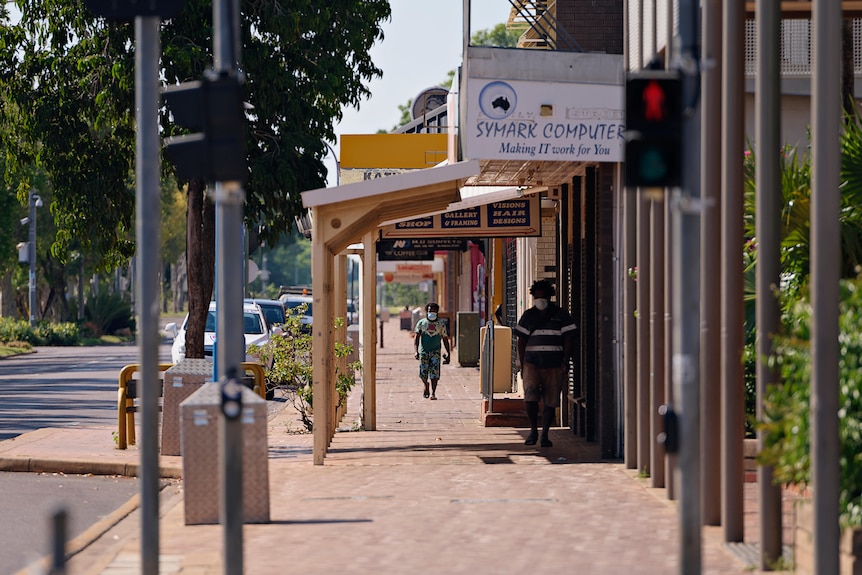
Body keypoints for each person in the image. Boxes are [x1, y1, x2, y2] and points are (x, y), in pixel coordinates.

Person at [515, 279, 576, 447]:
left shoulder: (561, 315)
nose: (540, 299)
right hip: (532, 364)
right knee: (530, 397)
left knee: (551, 399)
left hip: (554, 364)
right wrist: (523, 363)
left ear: (550, 297)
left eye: (543, 296)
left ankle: (545, 434)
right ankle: (533, 430)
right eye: (537, 296)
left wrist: (565, 360)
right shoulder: (528, 315)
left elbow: (568, 339)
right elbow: (521, 341)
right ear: (533, 297)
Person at [414, 302, 450, 400]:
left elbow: (445, 339)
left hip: (436, 352)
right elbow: (417, 338)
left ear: (437, 312)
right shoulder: (421, 323)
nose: (432, 312)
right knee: (423, 373)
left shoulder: (441, 324)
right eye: (430, 311)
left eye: (434, 311)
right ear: (427, 311)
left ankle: (433, 393)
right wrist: (416, 351)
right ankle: (426, 385)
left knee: (435, 374)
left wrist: (448, 353)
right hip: (424, 352)